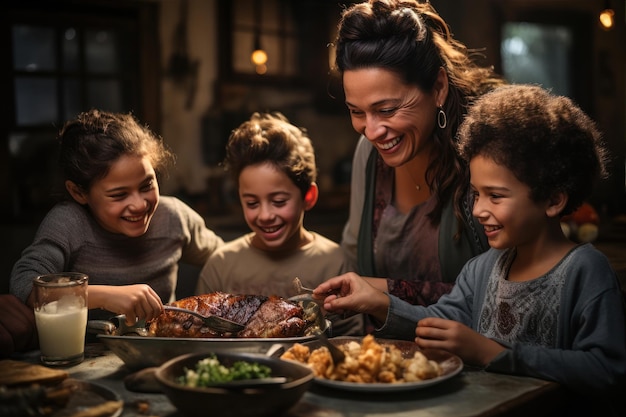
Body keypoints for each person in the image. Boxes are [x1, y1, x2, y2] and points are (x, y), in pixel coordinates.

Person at [315, 84, 626, 414]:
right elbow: (439, 324)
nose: (478, 210)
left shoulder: (585, 271)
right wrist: (378, 303)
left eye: (495, 195)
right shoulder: (482, 268)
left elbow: (608, 371)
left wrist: (490, 353)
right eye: (476, 193)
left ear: (553, 199)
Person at [333, 0, 504, 308]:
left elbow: (508, 293)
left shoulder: (485, 156)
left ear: (438, 88)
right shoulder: (368, 155)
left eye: (387, 110)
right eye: (356, 111)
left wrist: (384, 293)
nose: (371, 131)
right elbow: (352, 249)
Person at [10, 109, 224, 325]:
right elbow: (25, 286)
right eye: (119, 195)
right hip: (88, 355)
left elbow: (225, 258)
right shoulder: (68, 223)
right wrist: (105, 296)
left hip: (162, 350)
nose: (139, 204)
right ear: (79, 193)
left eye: (147, 185)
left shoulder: (174, 217)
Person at [196, 112, 363, 335]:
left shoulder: (335, 264)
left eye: (278, 201)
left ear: (309, 197)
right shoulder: (221, 266)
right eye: (252, 202)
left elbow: (350, 342)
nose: (265, 215)